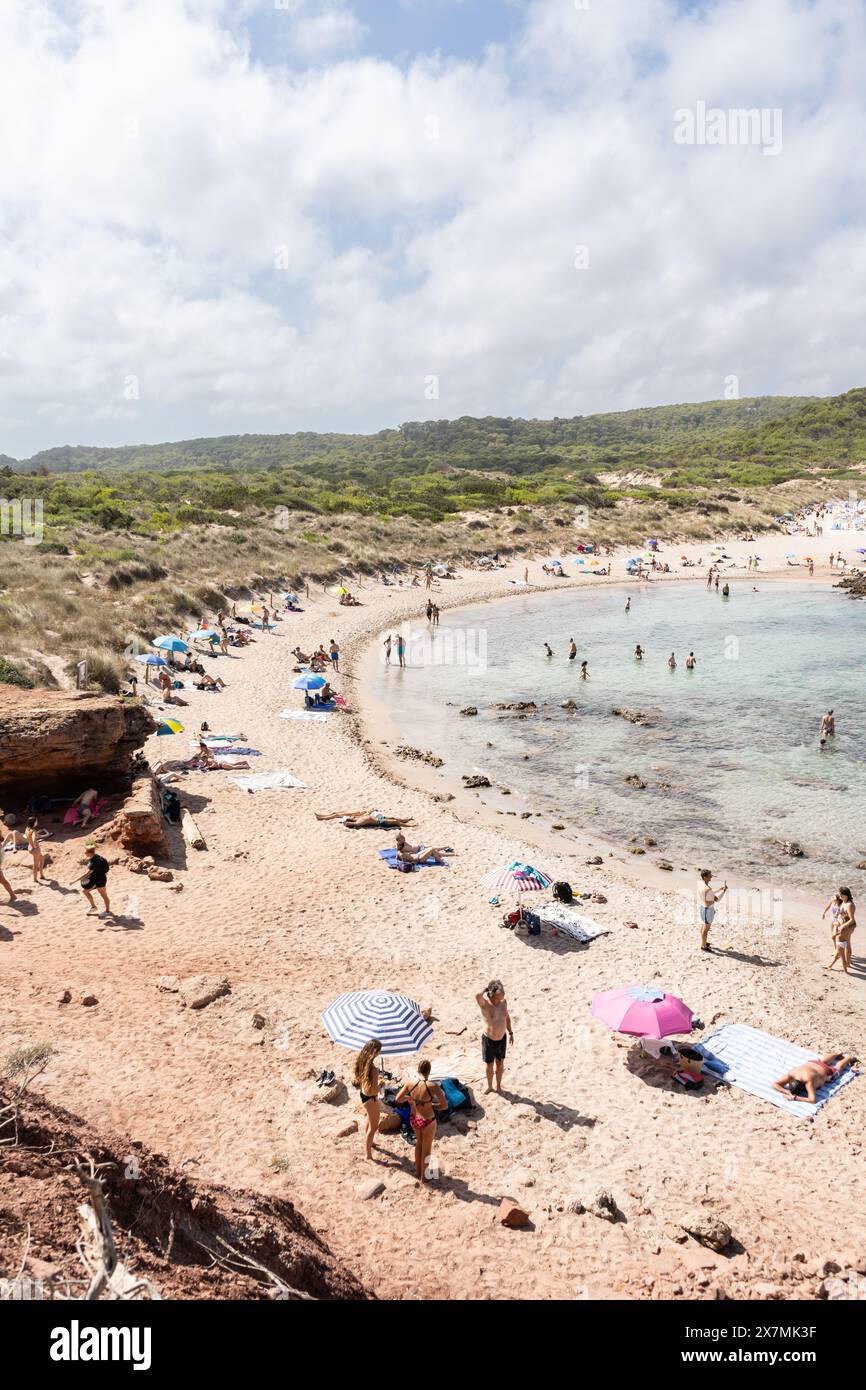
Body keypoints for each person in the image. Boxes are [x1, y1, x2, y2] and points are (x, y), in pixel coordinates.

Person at [395, 1060, 446, 1184]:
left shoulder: (410, 1083)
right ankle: (425, 1177)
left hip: (414, 1118)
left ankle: (418, 1171)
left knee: (419, 1144)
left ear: (418, 1070)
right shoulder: (433, 1086)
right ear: (429, 1071)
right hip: (428, 1120)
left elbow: (398, 1099)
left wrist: (410, 1099)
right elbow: (444, 1106)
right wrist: (433, 1106)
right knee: (426, 1148)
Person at [772, 1054, 857, 1103]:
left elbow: (813, 1100)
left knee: (837, 1069)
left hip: (826, 1071)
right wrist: (787, 1091)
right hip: (813, 1062)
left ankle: (848, 1058)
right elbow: (774, 1084)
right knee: (821, 1061)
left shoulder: (808, 1082)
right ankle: (836, 1053)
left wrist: (794, 1098)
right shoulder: (792, 1074)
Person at [476, 980, 513, 1094]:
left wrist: (511, 1032)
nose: (504, 993)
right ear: (494, 993)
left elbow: (506, 1018)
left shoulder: (504, 1003)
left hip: (502, 1038)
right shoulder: (485, 1004)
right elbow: (477, 996)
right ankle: (489, 1086)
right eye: (501, 991)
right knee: (489, 1065)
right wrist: (485, 989)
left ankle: (498, 1086)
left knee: (500, 1063)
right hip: (489, 1039)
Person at [352, 1039, 385, 1161]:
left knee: (369, 1120)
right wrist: (381, 1084)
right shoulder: (374, 1069)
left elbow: (365, 1083)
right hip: (371, 1099)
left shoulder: (362, 1062)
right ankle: (368, 1155)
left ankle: (369, 1143)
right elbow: (375, 1091)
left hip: (363, 1095)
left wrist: (375, 1081)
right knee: (373, 1128)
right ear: (375, 1052)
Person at [76, 844, 111, 918]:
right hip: (96, 879)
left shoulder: (95, 861)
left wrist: (75, 880)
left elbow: (86, 874)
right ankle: (93, 907)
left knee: (104, 895)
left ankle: (107, 911)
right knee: (85, 891)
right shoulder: (96, 857)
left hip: (100, 880)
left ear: (90, 853)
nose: (85, 853)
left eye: (86, 852)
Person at [827, 887, 856, 972]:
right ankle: (846, 961)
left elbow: (852, 919)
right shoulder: (844, 902)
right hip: (842, 925)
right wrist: (837, 915)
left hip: (847, 927)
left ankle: (847, 963)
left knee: (846, 943)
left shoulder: (849, 905)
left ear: (845, 895)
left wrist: (842, 926)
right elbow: (843, 913)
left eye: (840, 894)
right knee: (845, 942)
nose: (839, 895)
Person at [698, 868, 727, 951]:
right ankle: (703, 946)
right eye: (710, 876)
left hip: (702, 907)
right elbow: (717, 899)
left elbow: (709, 893)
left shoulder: (701, 884)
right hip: (708, 910)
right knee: (706, 929)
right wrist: (724, 891)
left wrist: (719, 889)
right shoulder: (707, 889)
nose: (711, 877)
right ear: (705, 877)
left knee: (703, 925)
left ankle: (703, 942)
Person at [316, 809, 416, 828]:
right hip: (380, 821)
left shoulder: (358, 817)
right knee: (395, 822)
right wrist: (346, 822)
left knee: (394, 818)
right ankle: (409, 825)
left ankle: (407, 819)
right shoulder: (359, 820)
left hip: (378, 818)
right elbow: (352, 824)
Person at [25, 818, 45, 884]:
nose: (37, 822)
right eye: (36, 821)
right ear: (33, 823)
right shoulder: (33, 831)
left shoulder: (27, 829)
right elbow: (33, 839)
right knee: (36, 864)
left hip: (29, 847)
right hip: (35, 849)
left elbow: (29, 837)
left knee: (42, 859)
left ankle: (41, 875)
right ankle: (35, 879)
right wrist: (35, 846)